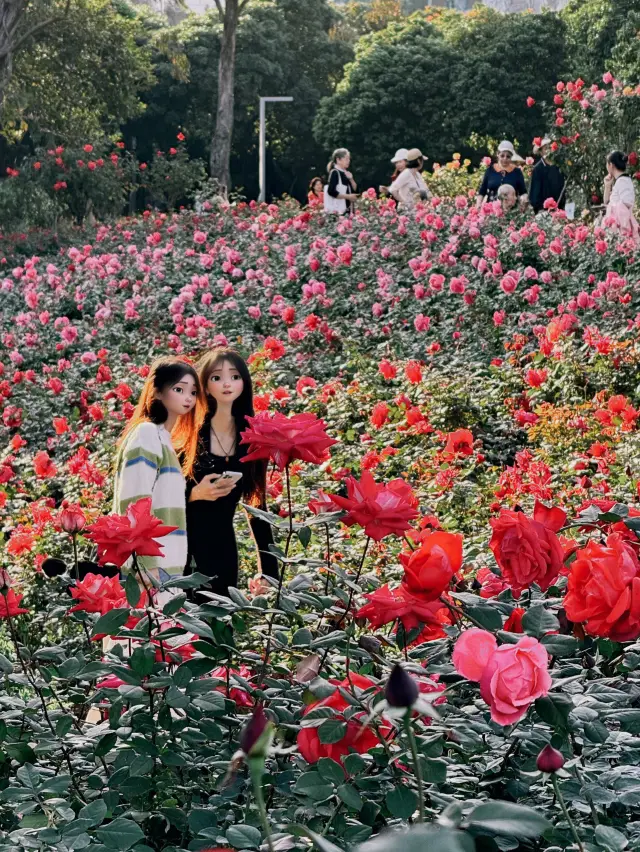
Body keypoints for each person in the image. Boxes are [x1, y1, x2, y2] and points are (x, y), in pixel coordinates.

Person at [186, 348, 279, 599]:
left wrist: (269, 572)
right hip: (183, 545)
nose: (227, 383)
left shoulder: (252, 438)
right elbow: (160, 492)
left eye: (235, 377)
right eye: (217, 377)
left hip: (223, 549)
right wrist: (193, 494)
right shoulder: (188, 433)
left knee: (219, 627)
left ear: (244, 383)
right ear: (204, 386)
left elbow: (257, 504)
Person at [113, 357, 205, 591]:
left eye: (193, 392)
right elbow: (134, 502)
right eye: (178, 389)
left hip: (167, 567)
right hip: (151, 568)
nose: (188, 398)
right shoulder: (146, 433)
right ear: (156, 392)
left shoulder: (163, 439)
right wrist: (146, 563)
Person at [603, 151, 639, 244]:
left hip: (622, 229)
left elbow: (627, 204)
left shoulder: (623, 181)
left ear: (611, 165)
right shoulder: (620, 181)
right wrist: (607, 186)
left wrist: (612, 208)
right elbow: (606, 202)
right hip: (618, 228)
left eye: (607, 163)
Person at [477, 141, 528, 206]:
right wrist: (478, 205)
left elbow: (523, 192)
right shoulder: (490, 170)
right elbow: (482, 192)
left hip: (511, 211)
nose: (505, 159)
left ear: (511, 157)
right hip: (491, 210)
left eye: (508, 156)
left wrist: (524, 201)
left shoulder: (517, 172)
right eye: (502, 156)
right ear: (498, 154)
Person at [529, 137, 566, 213]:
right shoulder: (537, 169)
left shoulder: (558, 166)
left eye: (550, 147)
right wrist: (540, 208)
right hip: (543, 211)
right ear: (541, 151)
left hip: (560, 208)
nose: (549, 150)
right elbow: (534, 194)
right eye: (546, 148)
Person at [324, 148, 358, 215]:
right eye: (346, 159)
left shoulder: (345, 173)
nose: (348, 161)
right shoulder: (335, 172)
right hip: (338, 212)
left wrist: (351, 179)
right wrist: (348, 197)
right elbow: (331, 191)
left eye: (349, 159)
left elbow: (355, 189)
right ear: (338, 159)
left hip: (347, 210)